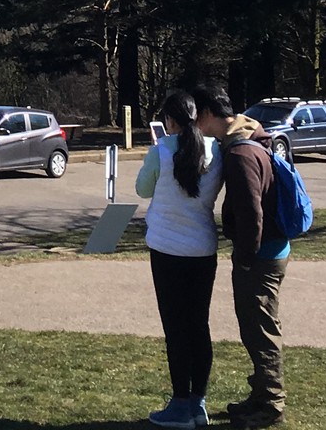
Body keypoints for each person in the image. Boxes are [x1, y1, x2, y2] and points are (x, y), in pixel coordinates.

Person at [193, 84, 288, 428]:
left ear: (206, 115)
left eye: (195, 118)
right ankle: (261, 395)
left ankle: (271, 405)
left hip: (261, 255)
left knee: (260, 329)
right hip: (268, 250)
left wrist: (246, 257)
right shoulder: (246, 139)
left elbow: (251, 213)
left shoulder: (239, 154)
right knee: (257, 326)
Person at [135, 89, 222, 428]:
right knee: (199, 326)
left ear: (169, 120)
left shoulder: (161, 152)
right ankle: (198, 402)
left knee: (175, 328)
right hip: (203, 249)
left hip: (167, 250)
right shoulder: (216, 151)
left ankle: (180, 402)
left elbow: (143, 189)